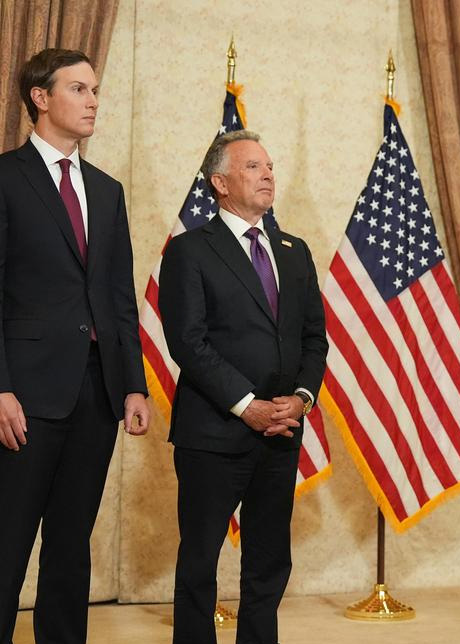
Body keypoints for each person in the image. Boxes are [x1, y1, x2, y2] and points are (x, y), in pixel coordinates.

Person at [0, 48, 150, 644]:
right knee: (7, 543)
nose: (93, 100)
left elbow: (118, 297)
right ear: (40, 98)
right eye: (78, 89)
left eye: (95, 90)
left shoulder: (107, 190)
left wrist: (133, 384)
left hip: (96, 393)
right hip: (23, 395)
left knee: (70, 546)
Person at [159, 129, 328, 644]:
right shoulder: (189, 250)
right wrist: (246, 404)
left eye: (270, 166)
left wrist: (301, 400)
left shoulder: (294, 251)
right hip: (213, 433)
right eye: (253, 166)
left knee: (269, 563)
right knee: (199, 562)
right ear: (220, 182)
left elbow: (314, 339)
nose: (268, 174)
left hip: (280, 432)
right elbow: (187, 342)